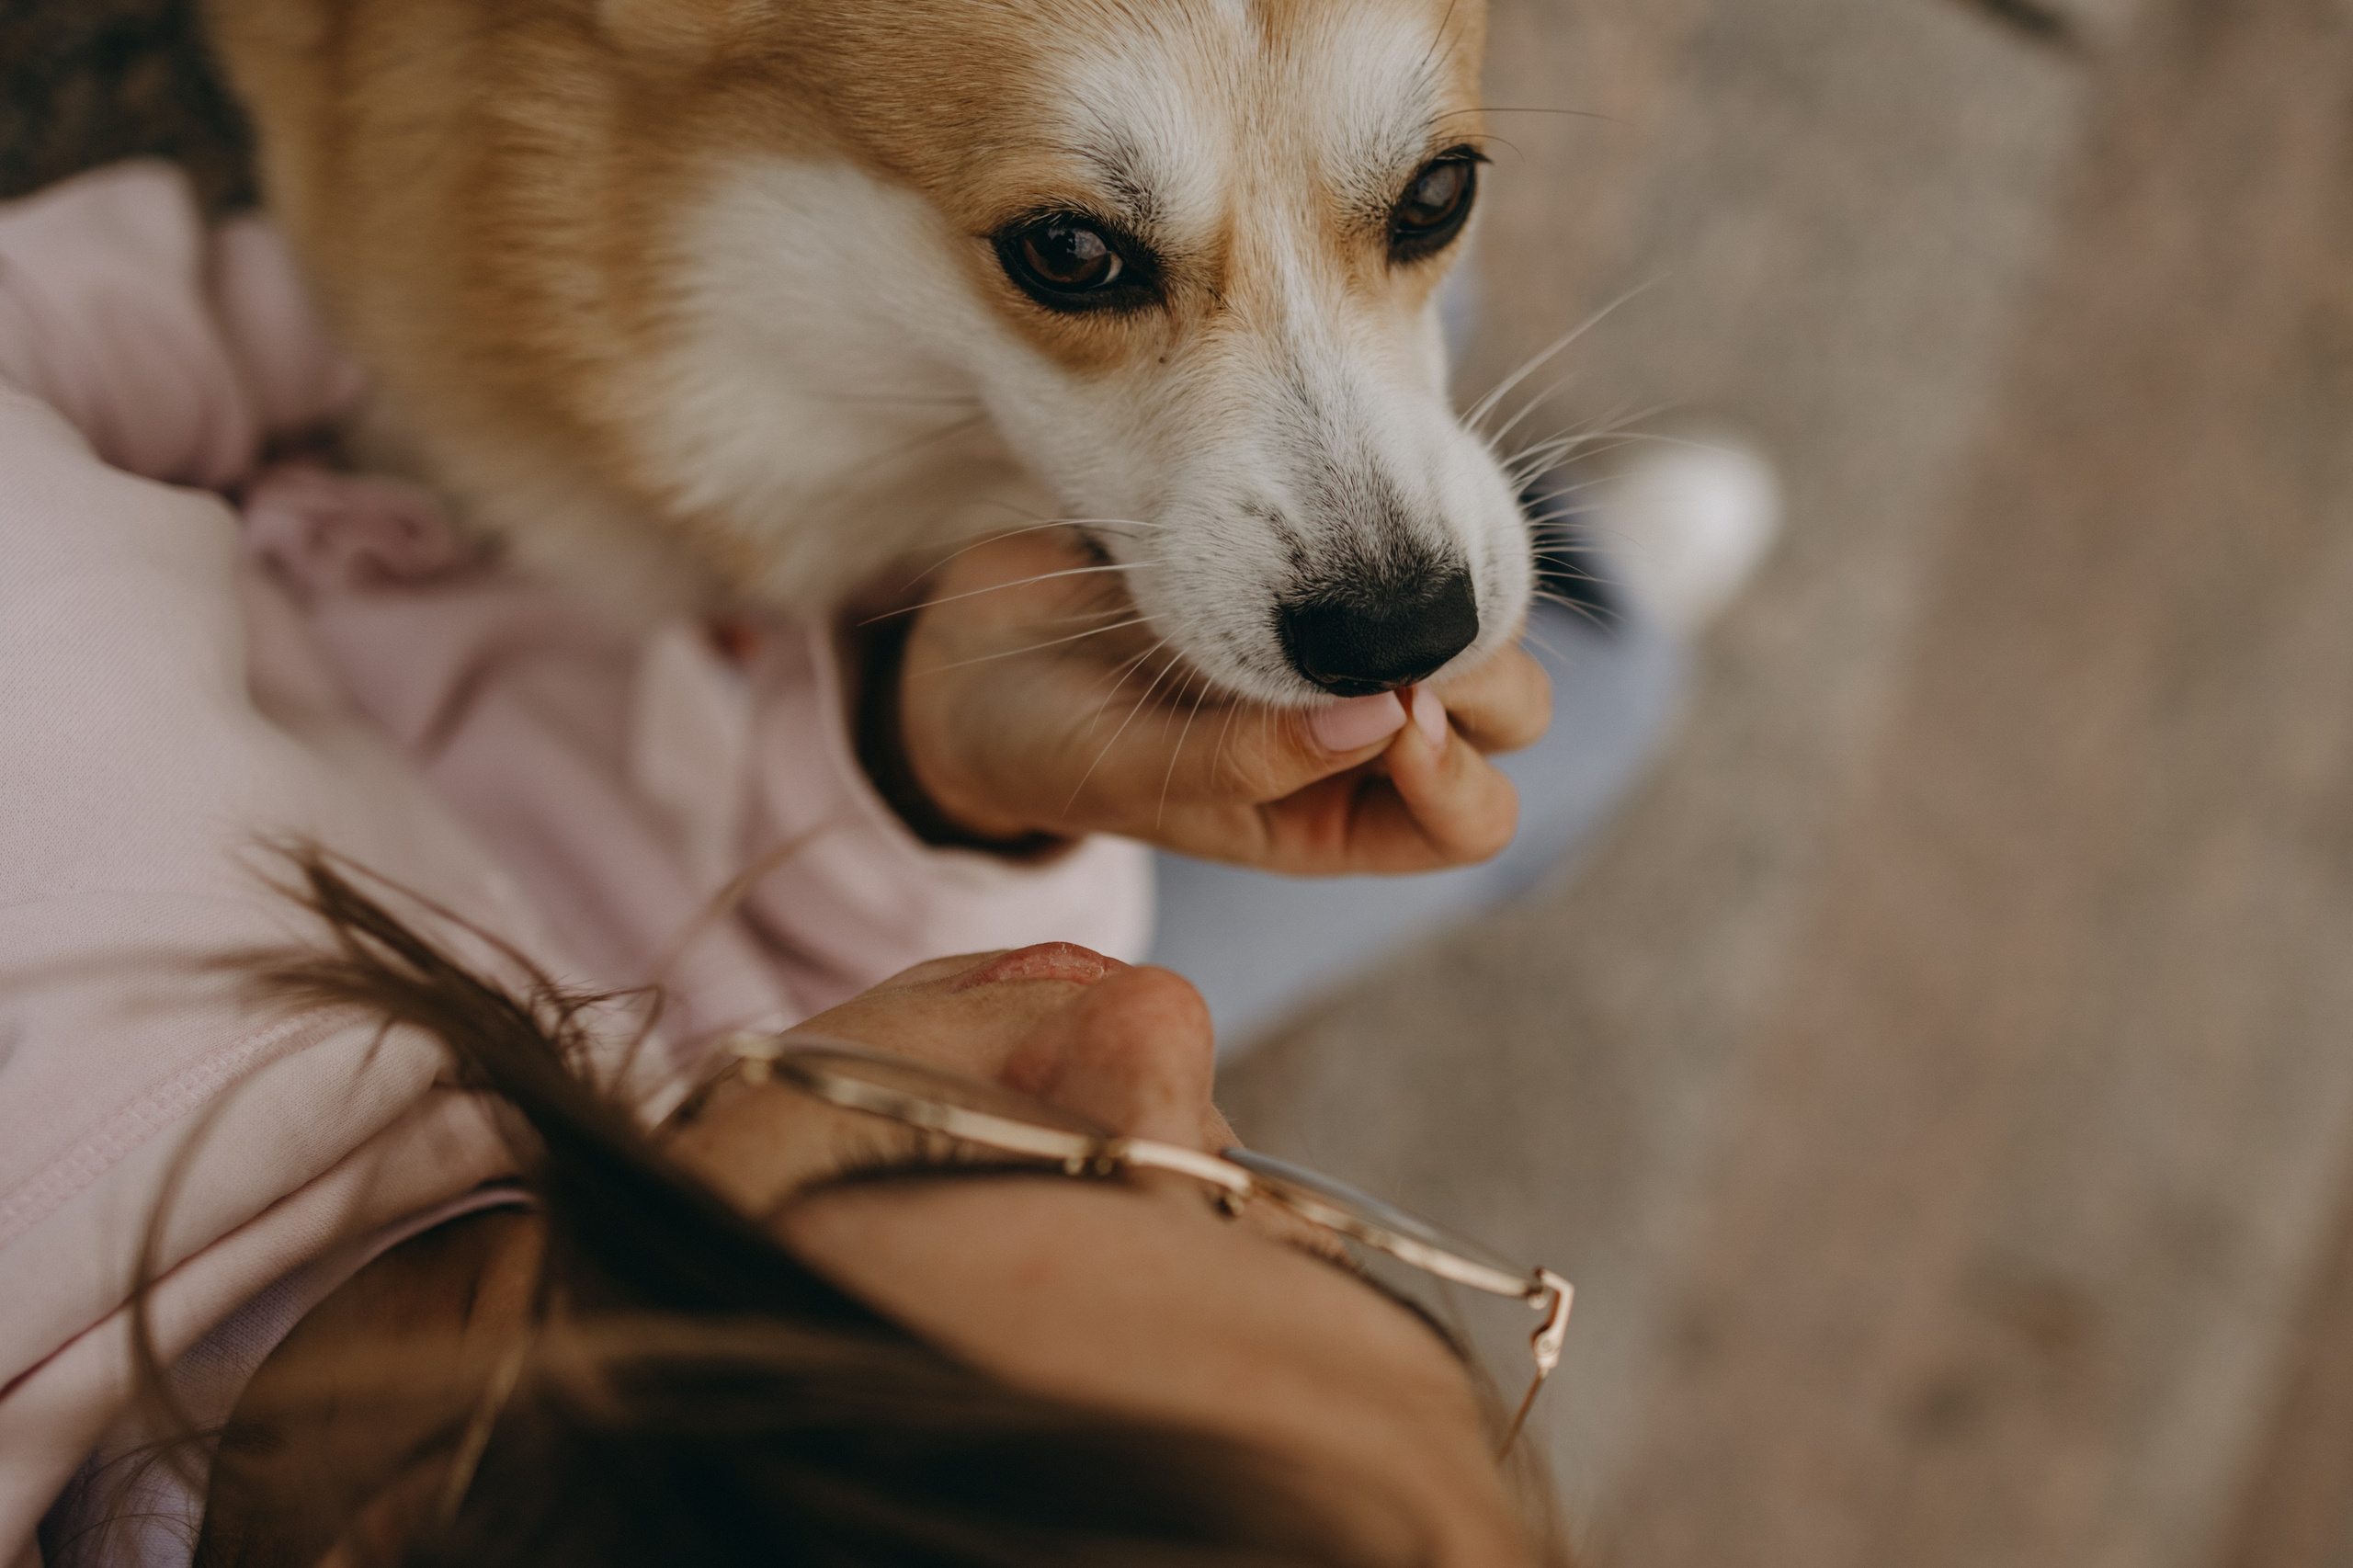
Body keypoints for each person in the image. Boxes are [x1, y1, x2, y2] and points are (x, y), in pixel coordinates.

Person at [0, 162, 1567, 1564]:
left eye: (1043, 1156)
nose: (1164, 1019)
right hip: (695, 714)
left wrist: (409, 310)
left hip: (422, 510)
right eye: (1299, 1220)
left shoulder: (54, 778)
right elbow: (737, 995)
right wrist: (935, 781)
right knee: (1559, 685)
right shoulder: (572, 1272)